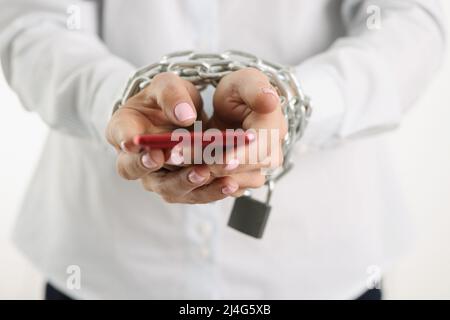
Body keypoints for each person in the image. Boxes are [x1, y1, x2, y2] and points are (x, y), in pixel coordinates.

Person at [0, 0, 445, 300]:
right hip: (108, 268)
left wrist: (294, 104)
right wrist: (116, 100)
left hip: (319, 268)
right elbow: (34, 23)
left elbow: (412, 18)